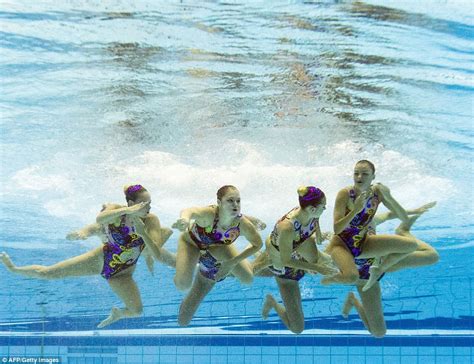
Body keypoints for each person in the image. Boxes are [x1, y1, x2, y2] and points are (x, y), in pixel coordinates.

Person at [0, 184, 173, 328]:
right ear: (130, 203)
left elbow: (154, 248)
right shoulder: (116, 213)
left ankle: (118, 314)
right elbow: (97, 222)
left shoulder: (151, 220)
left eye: (149, 203)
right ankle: (13, 268)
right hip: (99, 260)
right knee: (48, 273)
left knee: (136, 311)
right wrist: (82, 232)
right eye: (144, 203)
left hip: (123, 273)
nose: (148, 207)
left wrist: (145, 236)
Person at [322, 160, 439, 337]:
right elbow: (337, 232)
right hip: (359, 273)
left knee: (432, 256)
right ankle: (355, 298)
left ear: (373, 177)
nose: (359, 177)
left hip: (375, 268)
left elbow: (392, 213)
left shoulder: (372, 218)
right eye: (356, 173)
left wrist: (402, 205)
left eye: (364, 174)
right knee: (378, 331)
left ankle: (403, 232)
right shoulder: (348, 201)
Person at [171, 185, 263, 326]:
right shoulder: (209, 214)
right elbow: (190, 211)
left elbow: (258, 244)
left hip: (218, 249)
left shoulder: (242, 224)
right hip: (193, 244)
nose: (235, 205)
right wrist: (184, 220)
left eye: (238, 201)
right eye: (230, 201)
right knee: (183, 285)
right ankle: (192, 264)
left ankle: (207, 268)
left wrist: (231, 263)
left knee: (247, 278)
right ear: (219, 203)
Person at [254, 186, 338, 334]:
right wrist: (317, 268)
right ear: (312, 208)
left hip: (298, 257)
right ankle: (272, 301)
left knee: (333, 262)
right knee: (297, 328)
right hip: (284, 269)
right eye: (323, 207)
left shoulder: (310, 212)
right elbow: (286, 260)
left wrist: (320, 236)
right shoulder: (287, 227)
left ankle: (258, 259)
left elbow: (315, 222)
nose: (325, 209)